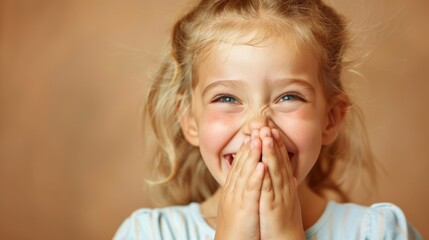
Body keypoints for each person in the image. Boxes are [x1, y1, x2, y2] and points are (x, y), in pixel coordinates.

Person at [114, 0, 422, 239]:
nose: (258, 128)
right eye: (227, 99)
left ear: (329, 119)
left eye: (288, 97)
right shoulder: (149, 234)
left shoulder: (378, 232)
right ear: (190, 121)